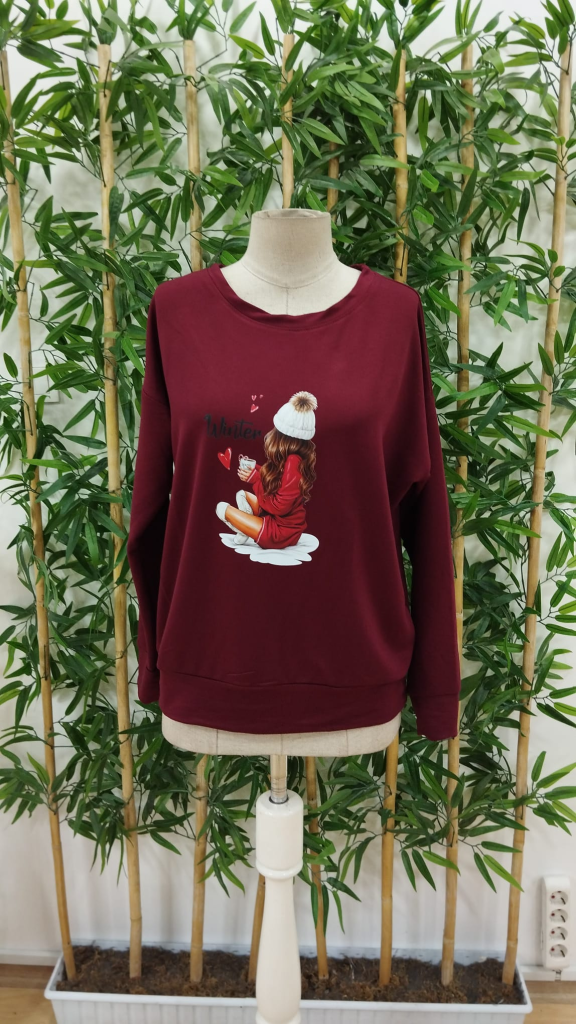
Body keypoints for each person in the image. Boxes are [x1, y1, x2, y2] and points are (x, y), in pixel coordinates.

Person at [215, 391, 317, 549]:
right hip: (280, 522)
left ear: (281, 435)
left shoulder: (293, 463)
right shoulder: (292, 458)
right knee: (242, 495)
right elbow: (280, 480)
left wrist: (256, 479)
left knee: (221, 508)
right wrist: (255, 469)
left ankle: (246, 529)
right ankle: (246, 529)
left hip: (280, 532)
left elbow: (278, 507)